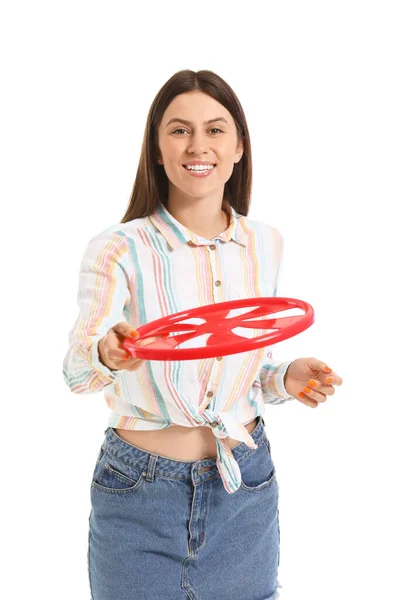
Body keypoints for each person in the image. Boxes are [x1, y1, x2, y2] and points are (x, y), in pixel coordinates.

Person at [63, 69, 342, 600]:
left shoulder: (265, 243)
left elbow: (234, 371)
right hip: (138, 491)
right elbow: (77, 373)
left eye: (215, 130)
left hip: (245, 482)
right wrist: (109, 351)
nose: (198, 146)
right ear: (157, 148)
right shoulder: (118, 247)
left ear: (239, 147)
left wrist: (285, 377)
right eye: (179, 130)